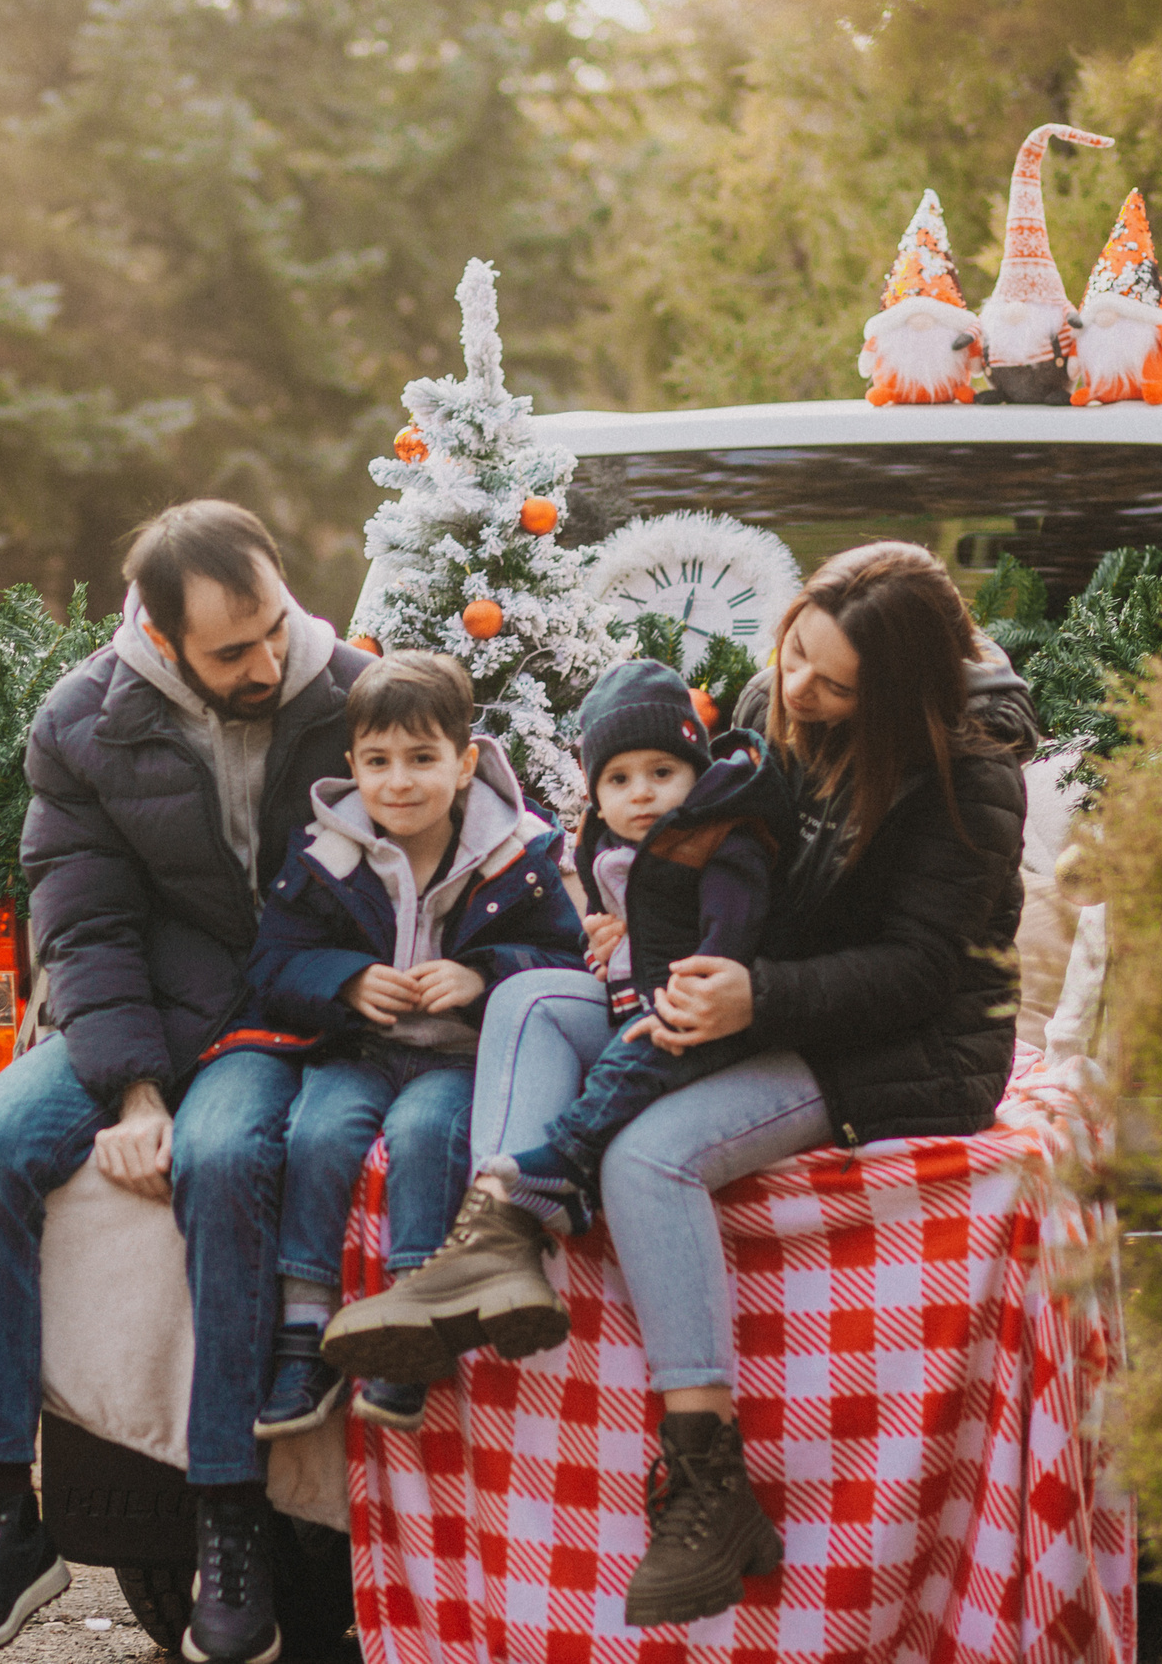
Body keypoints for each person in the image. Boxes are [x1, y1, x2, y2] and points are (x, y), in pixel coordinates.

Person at [450, 542, 1037, 1629]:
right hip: (757, 996)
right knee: (530, 1002)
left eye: (834, 683)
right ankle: (497, 1236)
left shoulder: (969, 769)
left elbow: (918, 972)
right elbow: (731, 857)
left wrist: (753, 998)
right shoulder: (779, 702)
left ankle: (710, 1481)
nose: (798, 690)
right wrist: (644, 918)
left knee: (649, 1154)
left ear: (900, 696)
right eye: (796, 654)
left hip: (897, 1048)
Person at [0, 502, 373, 1664]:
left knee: (224, 1167)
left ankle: (229, 1515)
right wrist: (130, 1093)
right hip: (129, 1012)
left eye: (273, 628)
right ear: (161, 640)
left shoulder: (353, 695)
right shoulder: (81, 723)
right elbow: (86, 928)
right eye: (232, 651)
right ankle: (5, 1512)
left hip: (271, 1015)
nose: (266, 663)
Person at [318, 659, 789, 1382]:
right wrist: (615, 940)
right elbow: (597, 941)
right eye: (620, 780)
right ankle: (494, 1236)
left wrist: (680, 981)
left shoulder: (720, 840)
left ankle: (547, 1174)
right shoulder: (613, 848)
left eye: (663, 772)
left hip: (699, 1023)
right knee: (537, 999)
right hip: (639, 1006)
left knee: (625, 1066)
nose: (642, 793)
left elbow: (724, 938)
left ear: (697, 768)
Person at [216, 650, 584, 1440]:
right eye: (378, 762)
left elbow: (566, 958)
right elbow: (271, 963)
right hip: (358, 1048)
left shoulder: (517, 855)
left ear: (465, 762)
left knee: (424, 1133)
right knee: (315, 1132)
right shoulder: (326, 852)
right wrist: (346, 980)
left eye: (423, 759)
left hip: (456, 1056)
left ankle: (415, 1326)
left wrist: (483, 976)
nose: (400, 781)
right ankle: (305, 1330)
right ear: (352, 765)